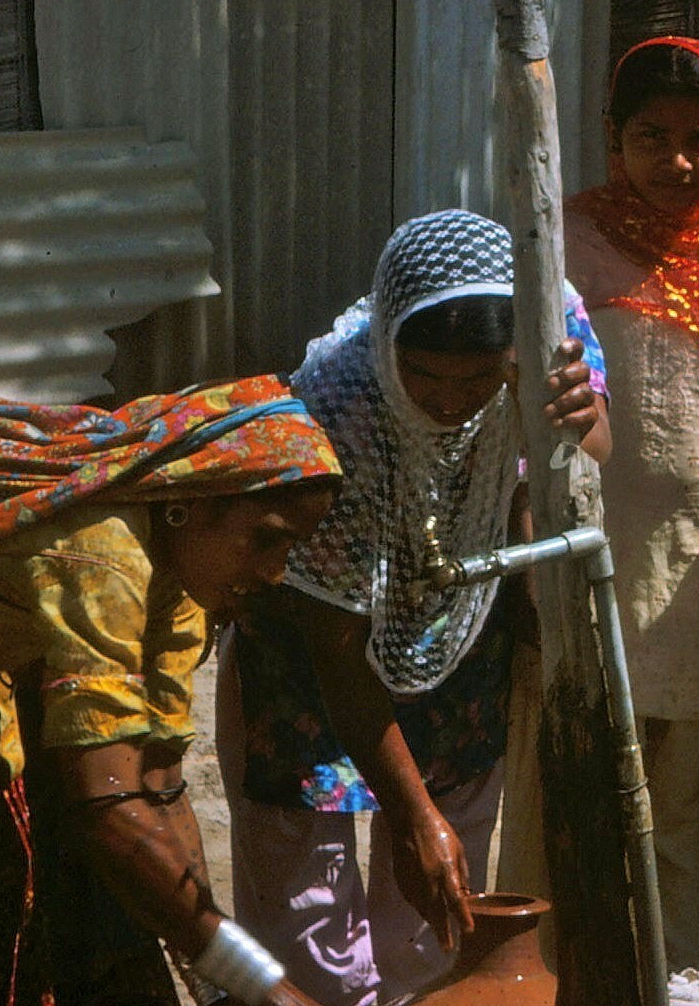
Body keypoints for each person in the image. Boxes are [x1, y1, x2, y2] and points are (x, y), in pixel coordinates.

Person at [0, 375, 343, 1006]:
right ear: (193, 500)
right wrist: (262, 985)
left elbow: (159, 785)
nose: (273, 572)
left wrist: (223, 979)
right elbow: (107, 806)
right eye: (266, 538)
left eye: (290, 549)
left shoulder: (178, 580)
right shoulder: (103, 553)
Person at [215, 208, 611, 1004]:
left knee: (434, 915)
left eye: (476, 381)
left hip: (457, 629)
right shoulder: (338, 408)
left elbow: (589, 452)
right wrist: (408, 816)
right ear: (390, 342)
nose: (449, 401)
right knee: (310, 927)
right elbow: (336, 643)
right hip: (311, 655)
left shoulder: (547, 327)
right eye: (424, 376)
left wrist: (578, 417)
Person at [559, 37, 699, 1005]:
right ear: (613, 138)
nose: (678, 162)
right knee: (577, 798)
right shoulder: (563, 239)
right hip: (584, 563)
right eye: (652, 137)